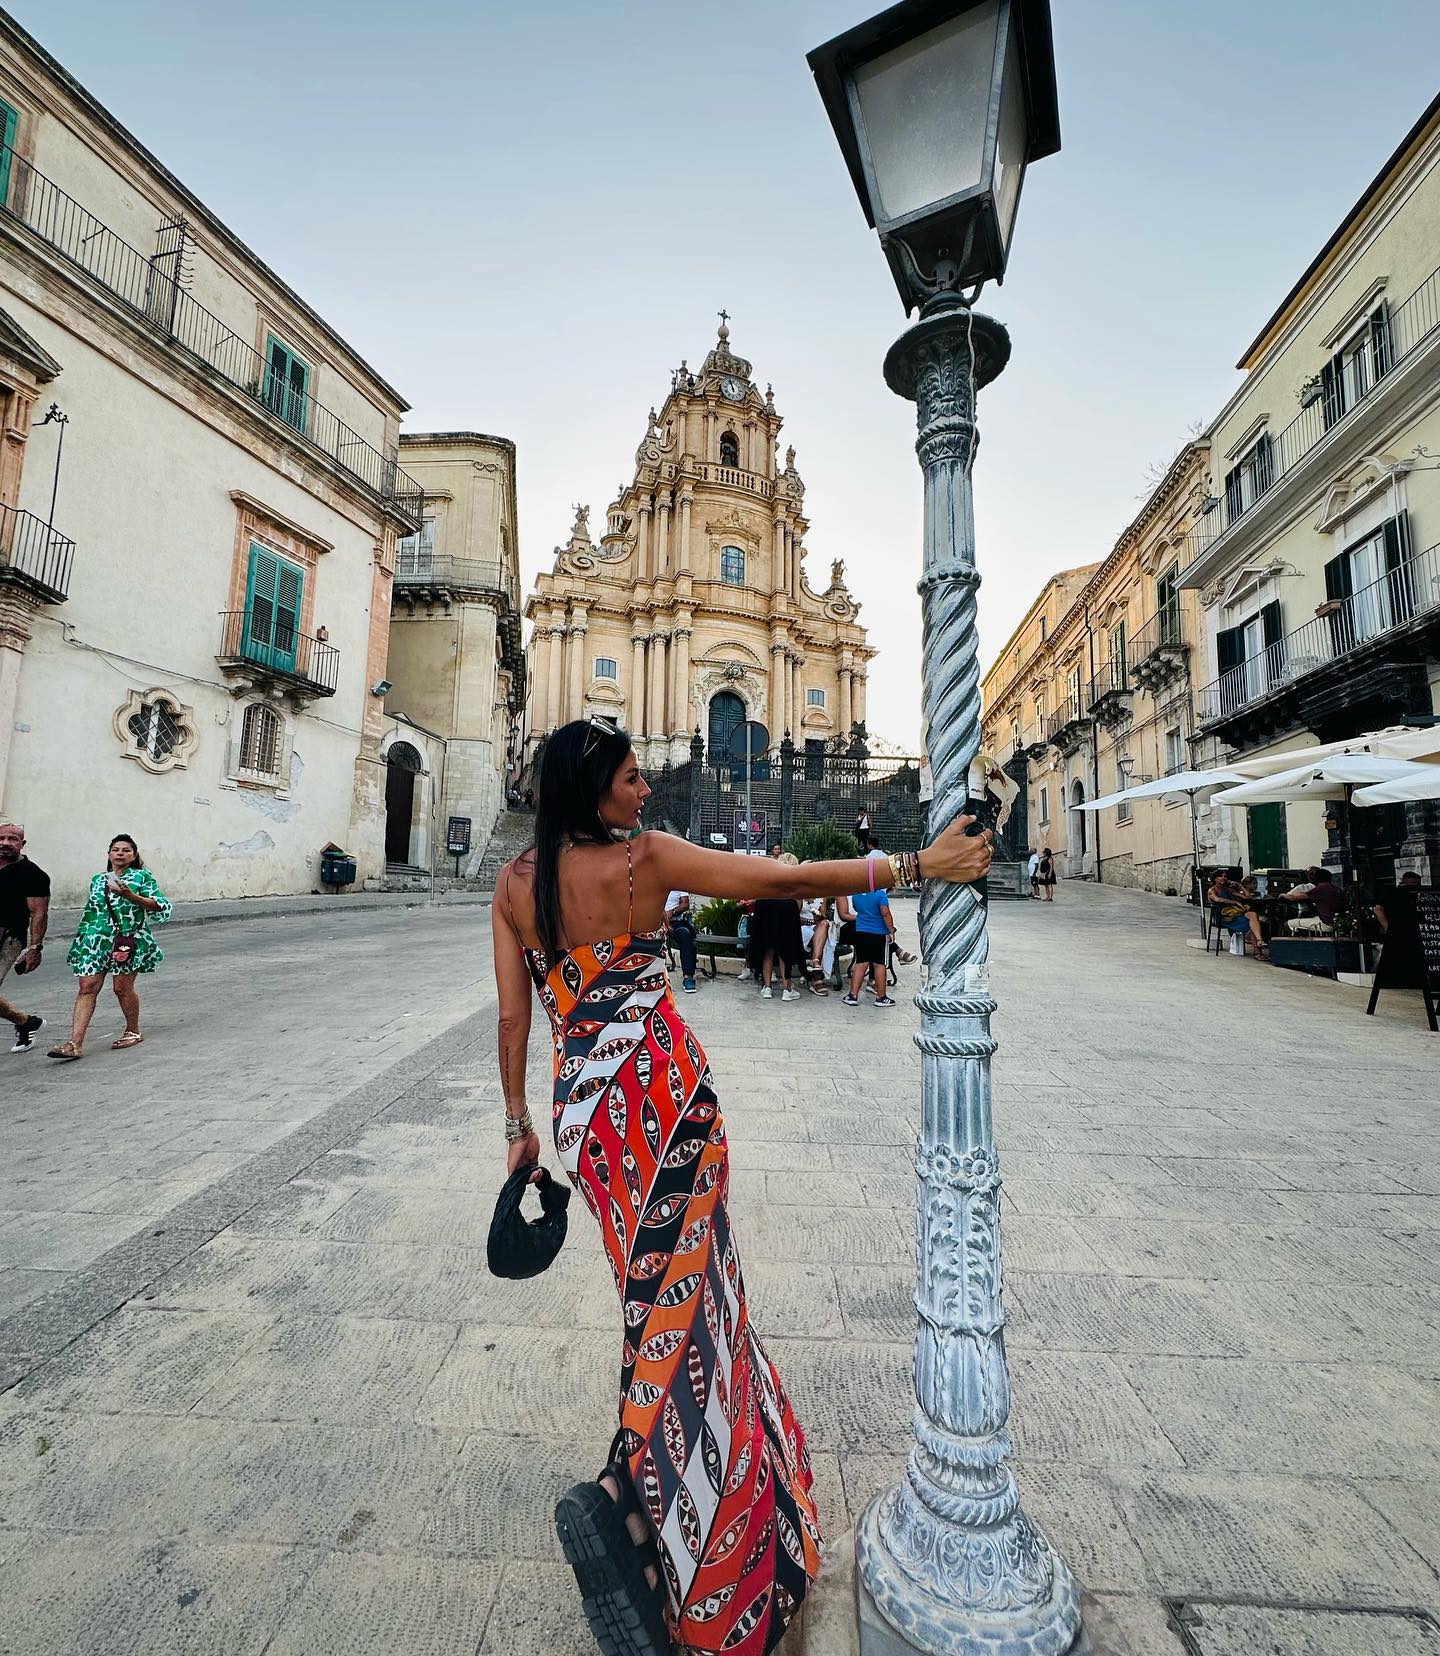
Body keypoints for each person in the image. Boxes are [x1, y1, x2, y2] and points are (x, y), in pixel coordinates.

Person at [491, 716, 993, 1655]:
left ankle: (653, 1516)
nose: (646, 790)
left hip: (585, 1114)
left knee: (653, 1307)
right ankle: (648, 1522)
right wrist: (920, 866)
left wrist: (519, 1129)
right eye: (632, 779)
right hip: (663, 1099)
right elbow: (785, 882)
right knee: (697, 1309)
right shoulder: (642, 859)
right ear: (594, 789)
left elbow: (514, 1021)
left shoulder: (515, 885)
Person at [47, 834, 171, 1061]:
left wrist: (131, 896)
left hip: (127, 940)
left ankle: (133, 1030)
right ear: (109, 854)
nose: (120, 853)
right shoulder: (98, 879)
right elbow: (91, 912)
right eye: (116, 849)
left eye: (126, 850)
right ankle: (75, 1043)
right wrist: (82, 941)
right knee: (87, 987)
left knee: (121, 988)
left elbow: (160, 906)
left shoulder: (142, 877)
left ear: (134, 855)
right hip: (95, 941)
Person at [0, 822, 49, 1053]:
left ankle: (25, 1022)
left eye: (12, 839)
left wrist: (34, 947)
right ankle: (26, 1022)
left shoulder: (33, 874)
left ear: (22, 843)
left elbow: (38, 913)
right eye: (1, 838)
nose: (5, 843)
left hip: (9, 938)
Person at [749, 851, 806, 1001]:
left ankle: (767, 987)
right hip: (786, 912)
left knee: (768, 950)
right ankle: (787, 989)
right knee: (784, 951)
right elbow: (798, 906)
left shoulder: (769, 879)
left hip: (765, 910)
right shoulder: (794, 883)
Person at [842, 866, 898, 1008]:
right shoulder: (880, 895)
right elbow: (885, 913)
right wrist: (891, 930)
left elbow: (857, 909)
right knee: (879, 964)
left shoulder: (856, 895)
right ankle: (881, 996)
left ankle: (852, 995)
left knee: (861, 963)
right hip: (878, 933)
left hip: (861, 931)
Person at [1207, 870, 1265, 955]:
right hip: (1224, 917)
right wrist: (1234, 902)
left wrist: (1240, 886)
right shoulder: (1212, 890)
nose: (1223, 878)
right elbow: (1217, 899)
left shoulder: (1227, 889)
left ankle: (1259, 940)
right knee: (1251, 925)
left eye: (1225, 876)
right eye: (1221, 876)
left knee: (1253, 915)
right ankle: (1257, 952)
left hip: (1235, 913)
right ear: (1215, 879)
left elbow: (1247, 897)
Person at [1279, 866, 1347, 933]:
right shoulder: (1337, 889)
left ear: (1316, 878)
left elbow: (1293, 898)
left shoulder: (1320, 889)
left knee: (1286, 924)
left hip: (1326, 923)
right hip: (1337, 923)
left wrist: (1282, 894)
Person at [664, 888, 699, 994]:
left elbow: (685, 904)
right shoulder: (656, 884)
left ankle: (688, 977)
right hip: (657, 922)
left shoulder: (679, 886)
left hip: (675, 923)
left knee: (685, 934)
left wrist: (673, 912)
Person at [798, 885, 831, 995]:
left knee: (824, 924)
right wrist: (810, 921)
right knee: (820, 935)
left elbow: (823, 915)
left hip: (816, 927)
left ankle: (815, 962)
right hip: (800, 928)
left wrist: (819, 915)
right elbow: (793, 916)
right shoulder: (798, 893)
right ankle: (816, 979)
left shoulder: (822, 895)